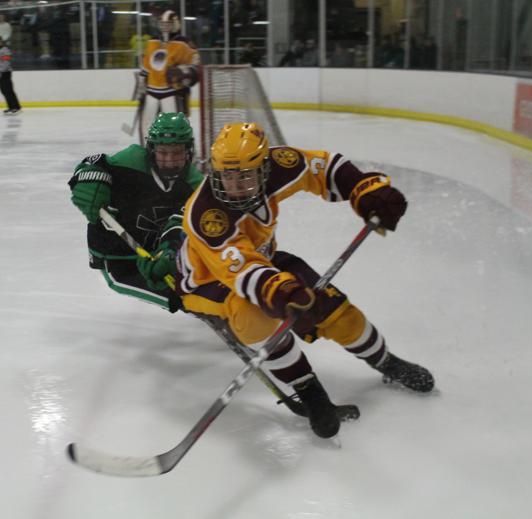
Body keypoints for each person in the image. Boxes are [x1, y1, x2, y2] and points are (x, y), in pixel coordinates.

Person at [140, 122, 435, 439]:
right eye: (227, 176)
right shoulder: (206, 215)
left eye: (245, 176)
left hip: (263, 262)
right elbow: (240, 270)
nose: (235, 186)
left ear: (264, 167)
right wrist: (281, 291)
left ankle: (386, 362)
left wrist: (363, 189)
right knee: (254, 317)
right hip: (207, 282)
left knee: (336, 312)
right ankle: (310, 391)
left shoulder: (279, 164)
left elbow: (323, 167)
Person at [68, 112, 203, 312]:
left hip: (157, 258)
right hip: (117, 258)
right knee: (180, 299)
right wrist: (90, 179)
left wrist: (171, 250)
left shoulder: (194, 184)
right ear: (151, 149)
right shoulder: (132, 160)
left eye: (176, 152)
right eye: (163, 152)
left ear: (188, 150)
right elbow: (92, 164)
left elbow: (187, 222)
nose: (169, 160)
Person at [137, 10, 200, 145]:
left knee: (176, 127)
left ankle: (183, 152)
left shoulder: (184, 43)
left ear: (175, 24)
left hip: (172, 92)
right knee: (147, 125)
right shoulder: (153, 41)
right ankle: (148, 151)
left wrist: (184, 72)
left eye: (168, 24)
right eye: (162, 24)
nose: (165, 27)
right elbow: (146, 65)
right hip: (151, 91)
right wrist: (141, 85)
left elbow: (195, 65)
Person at [0, 37, 21, 115]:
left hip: (5, 73)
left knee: (8, 90)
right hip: (1, 73)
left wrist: (1, 71)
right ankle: (11, 107)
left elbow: (6, 62)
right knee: (4, 91)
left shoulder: (5, 50)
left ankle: (16, 107)